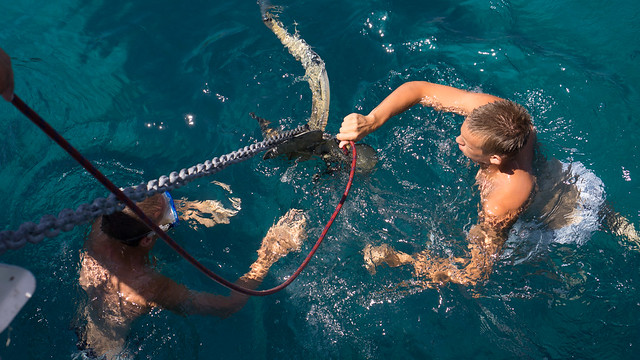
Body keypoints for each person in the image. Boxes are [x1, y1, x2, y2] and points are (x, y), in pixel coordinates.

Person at [336, 81, 536, 287]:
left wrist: (402, 259)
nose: (457, 140)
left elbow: (474, 274)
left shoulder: (499, 203)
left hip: (536, 222)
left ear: (494, 158)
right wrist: (372, 121)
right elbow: (420, 90)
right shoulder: (502, 117)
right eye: (462, 132)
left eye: (465, 143)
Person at [76, 192, 307, 358]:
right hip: (111, 354)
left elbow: (137, 218)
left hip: (83, 328)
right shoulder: (148, 286)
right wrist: (268, 255)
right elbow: (229, 305)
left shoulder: (102, 227)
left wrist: (192, 210)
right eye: (168, 221)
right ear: (147, 240)